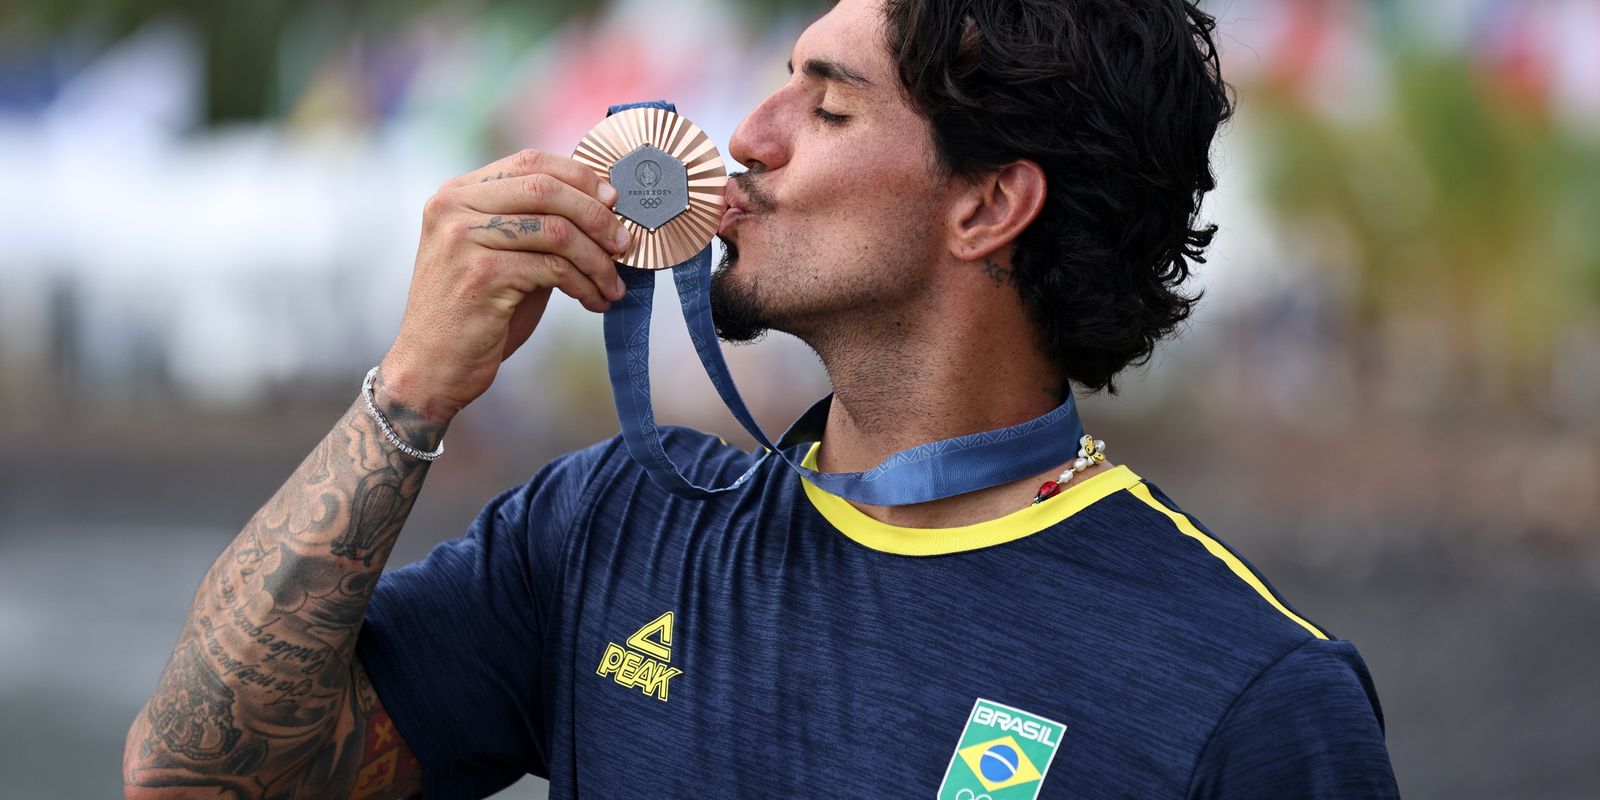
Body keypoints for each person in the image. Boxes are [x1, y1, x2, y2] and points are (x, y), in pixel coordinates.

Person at [123, 0, 1400, 797]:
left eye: (828, 104)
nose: (748, 132)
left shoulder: (1250, 695)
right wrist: (410, 395)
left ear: (986, 204)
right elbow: (198, 773)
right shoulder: (614, 529)